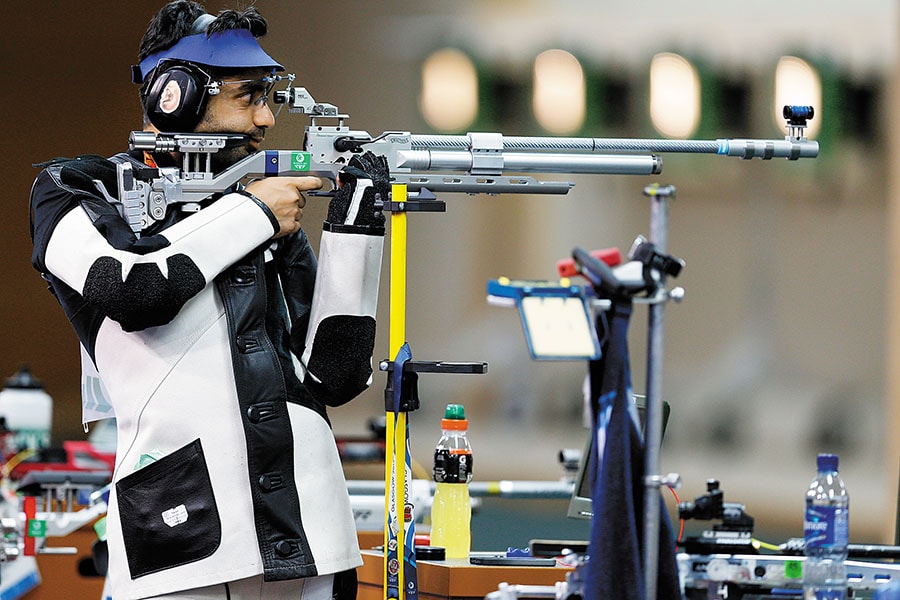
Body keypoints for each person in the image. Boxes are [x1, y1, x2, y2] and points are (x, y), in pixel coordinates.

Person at [29, 2, 388, 599]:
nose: (266, 118)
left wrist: (356, 229)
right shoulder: (75, 189)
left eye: (268, 97)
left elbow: (335, 375)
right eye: (249, 95)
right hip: (183, 535)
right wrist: (253, 212)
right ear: (175, 94)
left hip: (312, 530)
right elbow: (134, 288)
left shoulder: (258, 211)